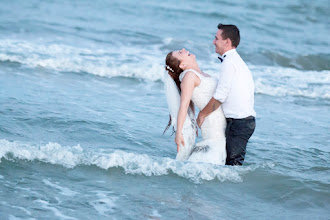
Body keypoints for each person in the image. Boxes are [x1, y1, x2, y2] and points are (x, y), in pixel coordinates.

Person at [197, 24, 256, 166]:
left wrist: (202, 115)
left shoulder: (229, 62)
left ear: (227, 42)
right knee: (228, 163)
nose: (213, 42)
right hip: (240, 122)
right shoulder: (234, 61)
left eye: (216, 38)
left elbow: (220, 96)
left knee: (232, 166)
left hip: (240, 123)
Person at [164, 48, 227, 165]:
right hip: (213, 127)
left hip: (223, 124)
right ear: (183, 64)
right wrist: (178, 134)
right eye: (179, 52)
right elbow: (184, 105)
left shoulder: (201, 74)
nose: (183, 49)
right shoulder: (189, 76)